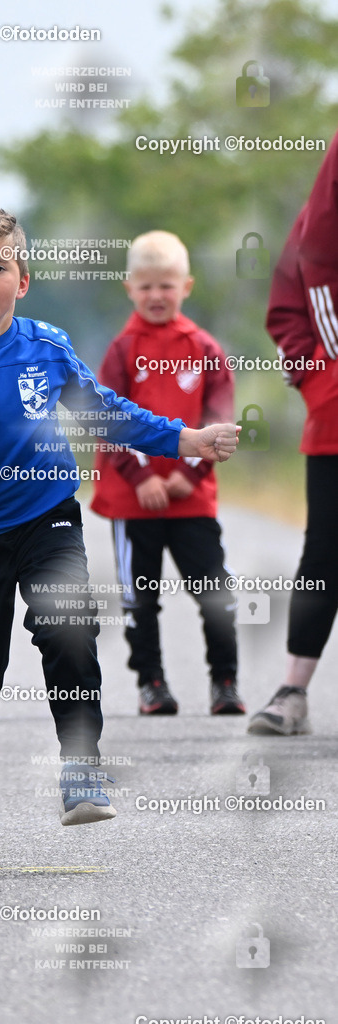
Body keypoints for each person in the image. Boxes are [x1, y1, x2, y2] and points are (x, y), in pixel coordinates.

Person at [0, 205, 239, 867]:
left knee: (70, 628)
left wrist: (185, 440)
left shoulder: (47, 346)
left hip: (48, 518)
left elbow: (105, 413)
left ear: (23, 279)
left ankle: (80, 766)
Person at [90, 231, 244, 717]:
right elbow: (106, 420)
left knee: (215, 592)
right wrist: (143, 479)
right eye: (147, 285)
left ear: (187, 286)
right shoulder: (121, 350)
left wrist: (188, 475)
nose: (157, 295)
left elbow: (220, 420)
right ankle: (151, 684)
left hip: (191, 499)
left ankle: (225, 682)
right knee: (141, 598)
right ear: (129, 287)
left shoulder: (206, 349)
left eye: (167, 285)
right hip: (133, 501)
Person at [248, 131, 338, 735]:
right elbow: (288, 304)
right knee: (326, 550)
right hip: (336, 413)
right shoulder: (316, 229)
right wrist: (319, 379)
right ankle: (292, 692)